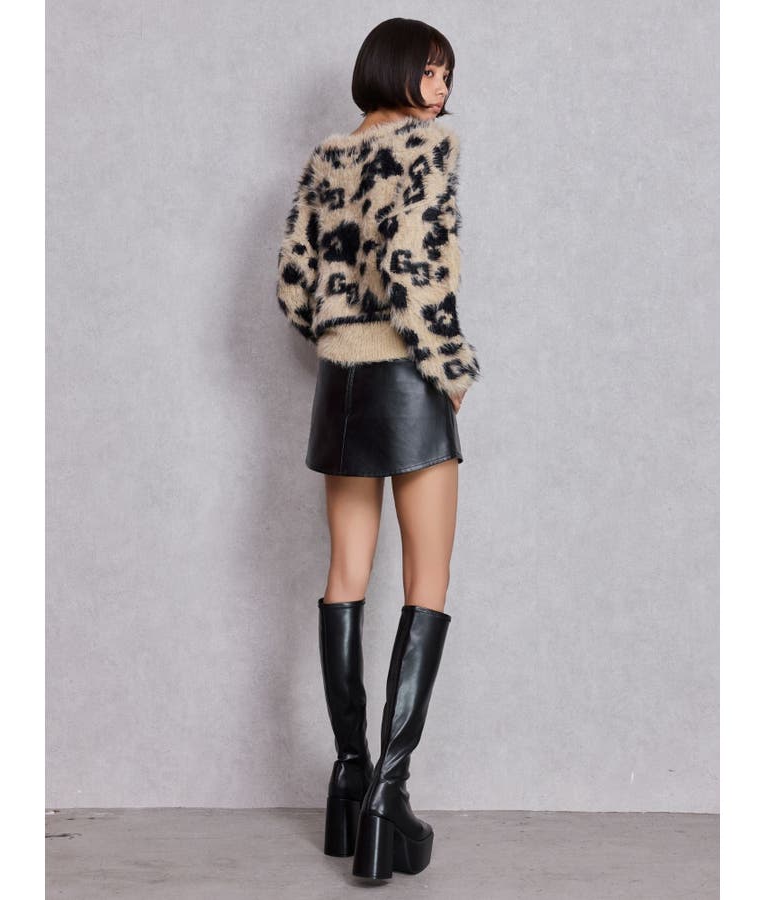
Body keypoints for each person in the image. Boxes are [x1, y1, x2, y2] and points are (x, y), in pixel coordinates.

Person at [275, 17, 481, 881]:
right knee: (427, 579)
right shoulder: (424, 152)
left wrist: (341, 336)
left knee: (345, 577)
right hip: (405, 381)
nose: (441, 88)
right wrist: (450, 366)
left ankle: (348, 776)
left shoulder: (327, 161)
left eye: (447, 74)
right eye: (430, 71)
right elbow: (415, 271)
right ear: (395, 71)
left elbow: (294, 286)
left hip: (341, 388)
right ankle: (388, 794)